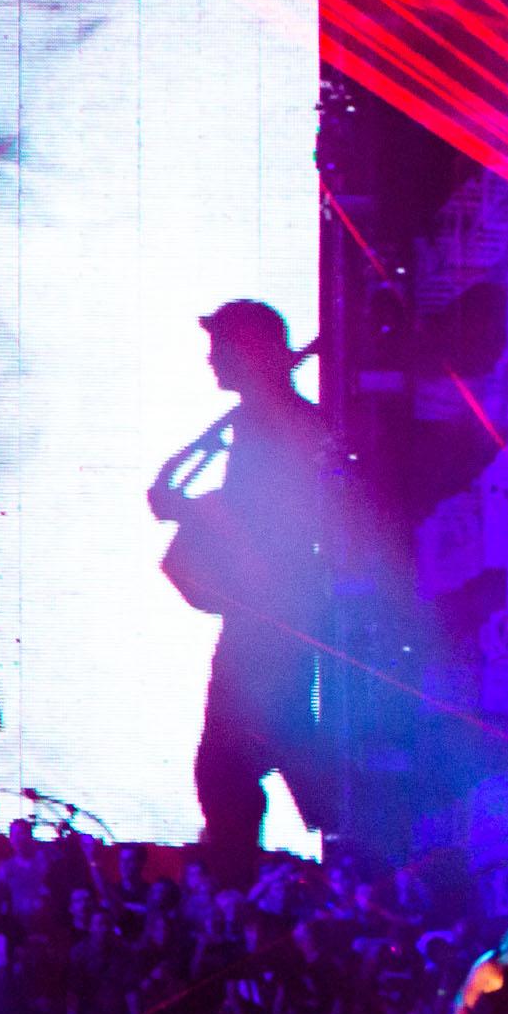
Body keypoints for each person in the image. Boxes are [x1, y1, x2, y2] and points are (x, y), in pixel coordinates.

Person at [150, 299, 343, 890]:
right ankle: (343, 836)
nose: (211, 359)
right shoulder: (262, 422)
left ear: (247, 352)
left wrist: (192, 509)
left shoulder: (274, 426)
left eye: (219, 346)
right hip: (266, 614)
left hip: (269, 613)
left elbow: (271, 524)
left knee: (231, 766)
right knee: (261, 749)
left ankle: (263, 879)